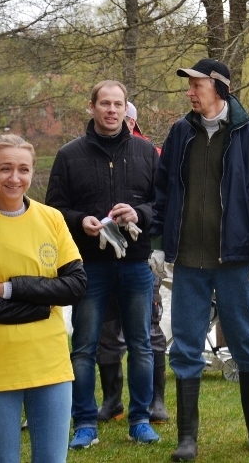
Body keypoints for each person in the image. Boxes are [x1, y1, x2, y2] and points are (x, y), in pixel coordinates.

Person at [150, 58, 249, 459]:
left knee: (247, 342)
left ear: (220, 88)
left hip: (239, 260)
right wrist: (158, 241)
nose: (190, 93)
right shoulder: (179, 133)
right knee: (187, 345)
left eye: (197, 86)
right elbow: (162, 191)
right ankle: (187, 439)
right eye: (189, 86)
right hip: (189, 261)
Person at [0, 135, 87, 463]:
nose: (15, 178)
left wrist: (10, 288)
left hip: (50, 364)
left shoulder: (51, 218)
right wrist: (44, 306)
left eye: (23, 169)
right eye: (6, 169)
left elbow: (76, 286)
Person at [45, 80, 162, 448]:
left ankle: (140, 419)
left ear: (126, 109)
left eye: (118, 105)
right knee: (84, 346)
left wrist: (139, 211)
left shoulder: (146, 153)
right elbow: (53, 210)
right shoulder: (69, 154)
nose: (112, 111)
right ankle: (84, 423)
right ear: (91, 107)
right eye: (105, 104)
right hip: (88, 264)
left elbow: (164, 206)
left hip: (136, 263)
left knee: (141, 345)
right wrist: (80, 221)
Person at [93, 100, 169, 425]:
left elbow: (166, 204)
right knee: (107, 332)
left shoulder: (153, 154)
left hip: (142, 255)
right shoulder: (89, 151)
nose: (115, 118)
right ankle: (112, 401)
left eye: (122, 114)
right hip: (99, 255)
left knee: (149, 329)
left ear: (131, 119)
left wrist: (160, 245)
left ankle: (156, 401)